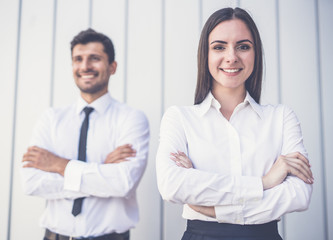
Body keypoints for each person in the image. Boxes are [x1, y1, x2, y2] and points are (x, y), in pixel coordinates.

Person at [156, 7, 313, 240]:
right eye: (219, 47)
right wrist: (264, 182)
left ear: (255, 53)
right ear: (205, 55)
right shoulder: (179, 118)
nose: (231, 57)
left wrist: (210, 207)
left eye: (243, 46)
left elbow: (299, 194)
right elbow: (172, 185)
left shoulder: (281, 117)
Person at [21, 28, 149, 240]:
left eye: (94, 58)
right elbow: (31, 182)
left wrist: (59, 166)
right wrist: (102, 172)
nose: (85, 66)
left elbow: (123, 183)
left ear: (112, 67)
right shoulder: (51, 119)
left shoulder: (132, 119)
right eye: (77, 59)